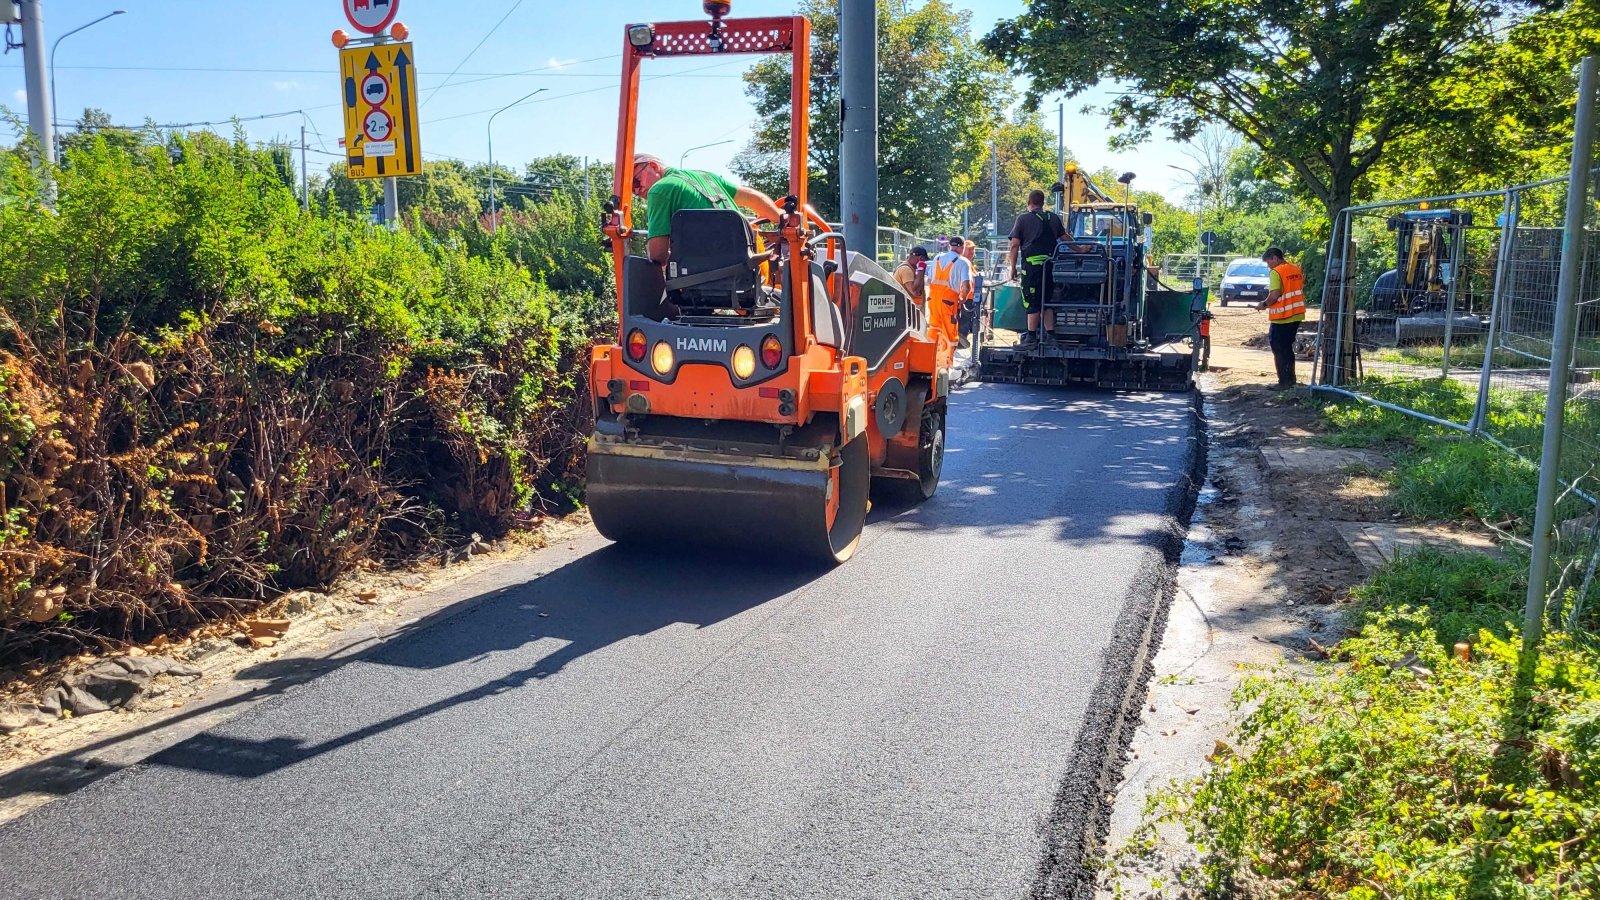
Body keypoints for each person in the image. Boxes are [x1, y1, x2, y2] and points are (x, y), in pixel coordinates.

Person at [630, 153, 784, 267]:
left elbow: (658, 256)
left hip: (706, 274)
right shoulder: (706, 177)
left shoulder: (659, 189)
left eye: (636, 181)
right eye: (631, 190)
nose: (636, 191)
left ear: (654, 166)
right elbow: (752, 197)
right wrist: (781, 218)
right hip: (745, 267)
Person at [1007, 189, 1067, 348]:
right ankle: (1051, 336)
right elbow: (1066, 239)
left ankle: (1031, 337)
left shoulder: (1023, 219)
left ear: (1029, 203)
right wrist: (1081, 249)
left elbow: (1014, 245)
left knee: (1032, 300)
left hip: (1032, 269)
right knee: (1046, 300)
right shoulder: (1053, 218)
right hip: (1050, 267)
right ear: (1042, 203)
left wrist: (1012, 267)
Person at [1256, 247, 1307, 387]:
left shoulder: (1276, 272)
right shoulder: (1295, 268)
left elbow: (1274, 295)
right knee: (1287, 348)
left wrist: (1264, 304)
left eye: (1268, 262)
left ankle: (1284, 382)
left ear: (1274, 258)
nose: (1268, 265)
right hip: (1296, 314)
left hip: (1282, 316)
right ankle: (1290, 380)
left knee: (1279, 348)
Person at [928, 236, 973, 346]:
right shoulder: (963, 262)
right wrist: (963, 298)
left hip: (933, 300)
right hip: (949, 302)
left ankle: (931, 357)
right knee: (949, 332)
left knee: (934, 329)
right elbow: (966, 286)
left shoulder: (937, 258)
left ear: (949, 246)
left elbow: (929, 279)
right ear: (962, 248)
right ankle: (947, 361)